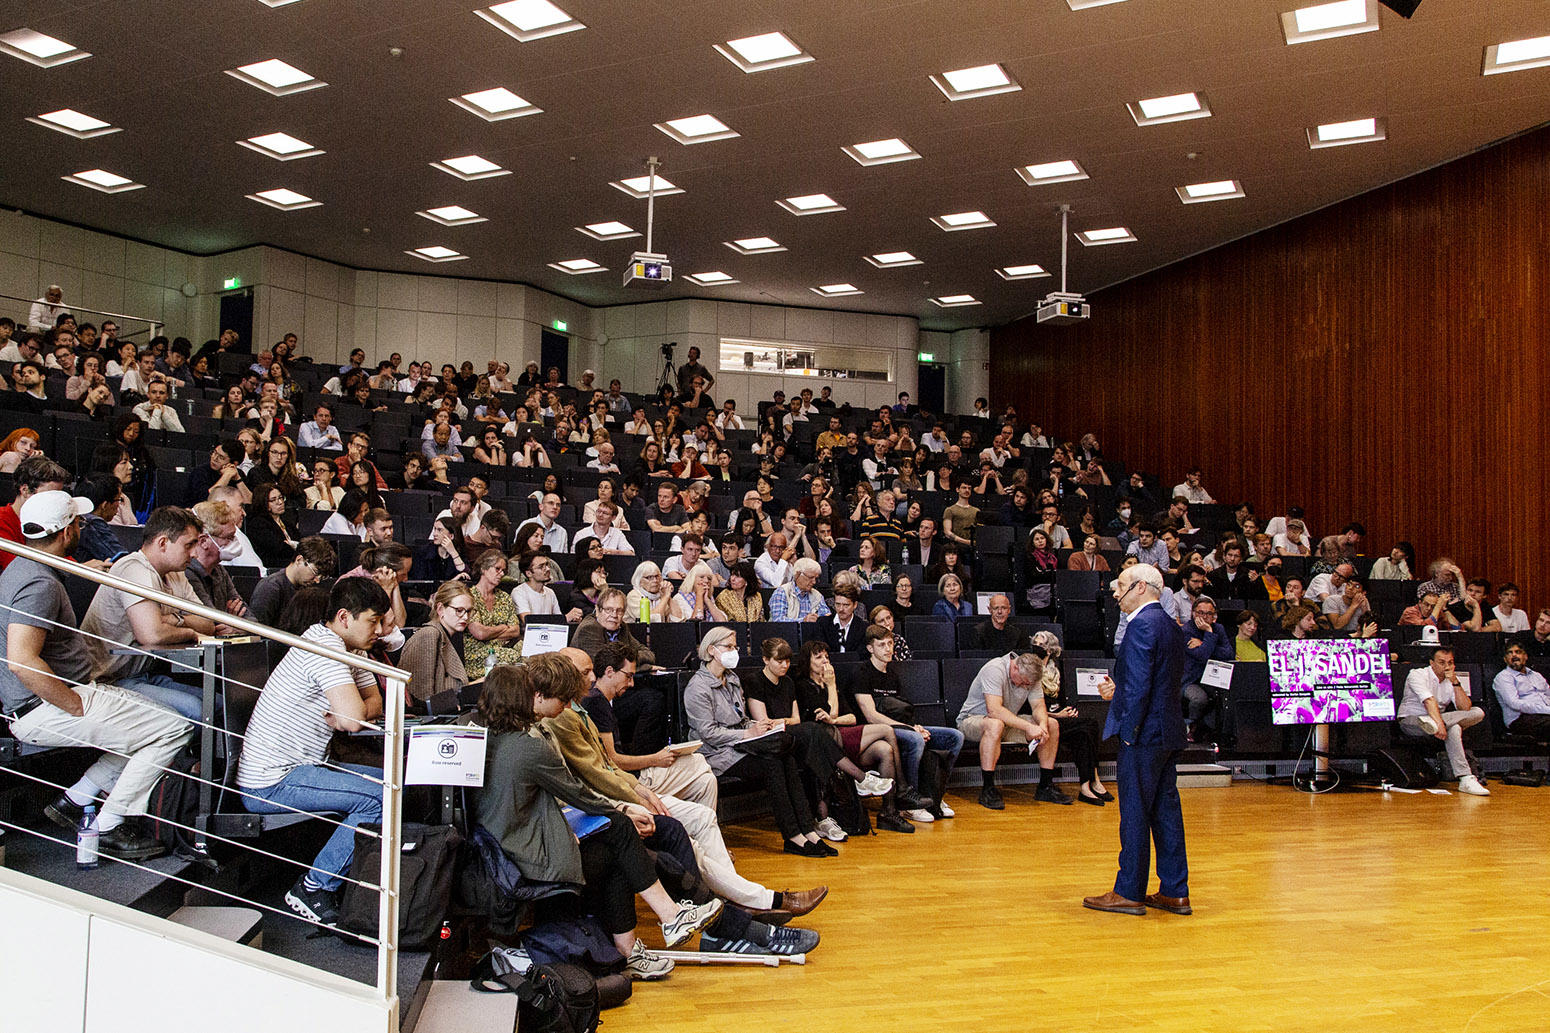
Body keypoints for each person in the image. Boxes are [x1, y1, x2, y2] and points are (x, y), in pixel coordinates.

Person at [548, 648, 826, 947]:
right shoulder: (564, 717)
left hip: (620, 793)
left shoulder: (580, 709)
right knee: (685, 839)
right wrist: (634, 793)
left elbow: (605, 768)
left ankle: (734, 903)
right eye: (584, 673)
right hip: (606, 803)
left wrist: (638, 790)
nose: (593, 677)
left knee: (703, 812)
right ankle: (747, 905)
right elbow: (597, 774)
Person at [473, 662, 722, 978]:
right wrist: (622, 809)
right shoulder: (528, 747)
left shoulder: (490, 737)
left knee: (618, 845)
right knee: (619, 831)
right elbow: (579, 794)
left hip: (505, 852)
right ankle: (665, 919)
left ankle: (634, 945)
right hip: (527, 861)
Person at [0, 490, 196, 861]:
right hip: (46, 703)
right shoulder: (39, 583)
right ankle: (108, 825)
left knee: (155, 724)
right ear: (66, 532)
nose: (81, 527)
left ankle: (77, 799)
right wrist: (74, 703)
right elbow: (21, 660)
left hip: (54, 696)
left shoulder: (24, 566)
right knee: (174, 728)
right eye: (77, 522)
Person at [236, 577, 390, 923]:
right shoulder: (324, 647)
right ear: (344, 617)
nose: (379, 629)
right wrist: (350, 712)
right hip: (271, 781)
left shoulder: (352, 649)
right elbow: (353, 720)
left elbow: (373, 704)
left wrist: (350, 711)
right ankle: (314, 886)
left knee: (390, 782)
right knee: (377, 799)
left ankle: (347, 879)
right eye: (373, 620)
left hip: (305, 768)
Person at [1085, 563, 1192, 917]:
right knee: (1166, 813)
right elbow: (1162, 680)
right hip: (1169, 731)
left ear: (1141, 587)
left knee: (1133, 813)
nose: (1115, 593)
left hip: (1144, 735)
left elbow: (1140, 689)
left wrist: (1128, 733)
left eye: (1121, 586)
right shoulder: (1171, 625)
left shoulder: (1141, 625)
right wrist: (1120, 692)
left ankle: (1129, 890)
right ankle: (1175, 892)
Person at [683, 627, 833, 857]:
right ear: (712, 650)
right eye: (729, 647)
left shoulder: (731, 679)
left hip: (742, 744)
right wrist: (747, 734)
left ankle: (807, 830)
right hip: (715, 754)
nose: (735, 651)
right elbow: (708, 733)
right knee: (772, 764)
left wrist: (757, 727)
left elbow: (740, 718)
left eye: (735, 647)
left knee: (787, 756)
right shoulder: (697, 687)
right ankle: (793, 836)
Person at [80, 507, 235, 720]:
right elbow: (152, 635)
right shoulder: (133, 568)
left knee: (218, 704)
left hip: (145, 675)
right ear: (163, 543)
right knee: (195, 710)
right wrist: (190, 632)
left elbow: (208, 623)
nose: (193, 553)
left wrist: (173, 620)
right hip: (110, 680)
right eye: (188, 545)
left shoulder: (176, 574)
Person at [849, 624, 964, 822]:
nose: (888, 649)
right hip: (873, 732)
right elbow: (872, 716)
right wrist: (911, 730)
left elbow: (899, 711)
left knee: (954, 737)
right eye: (882, 645)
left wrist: (916, 726)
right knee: (914, 739)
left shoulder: (892, 675)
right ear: (870, 648)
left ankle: (935, 797)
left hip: (898, 726)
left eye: (890, 644)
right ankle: (910, 801)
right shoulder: (861, 672)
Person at [1396, 647, 1489, 796]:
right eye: (1442, 662)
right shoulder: (1417, 674)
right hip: (1412, 721)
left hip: (1439, 721)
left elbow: (1465, 708)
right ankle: (1465, 778)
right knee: (1453, 726)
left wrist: (1455, 682)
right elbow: (1429, 701)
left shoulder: (1451, 679)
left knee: (1477, 713)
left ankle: (1465, 779)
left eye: (1450, 662)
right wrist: (1439, 724)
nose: (1447, 666)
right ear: (1431, 663)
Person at [400, 581, 473, 706]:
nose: (465, 617)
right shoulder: (429, 634)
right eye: (459, 610)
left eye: (469, 611)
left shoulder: (446, 635)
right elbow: (421, 696)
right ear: (440, 609)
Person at [1181, 596, 1234, 744]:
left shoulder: (1219, 628)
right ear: (1193, 614)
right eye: (1201, 613)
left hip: (1213, 677)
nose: (1205, 617)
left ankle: (1222, 734)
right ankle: (1191, 726)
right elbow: (1202, 656)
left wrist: (1205, 641)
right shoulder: (1186, 631)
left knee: (1227, 696)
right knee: (1199, 698)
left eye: (1209, 614)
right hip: (1189, 679)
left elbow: (1228, 653)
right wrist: (1209, 635)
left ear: (1214, 615)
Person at [249, 537, 334, 628]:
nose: (317, 581)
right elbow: (257, 629)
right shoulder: (270, 587)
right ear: (299, 560)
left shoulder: (309, 590)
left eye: (322, 577)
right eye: (315, 572)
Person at [466, 550, 524, 670]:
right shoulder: (469, 596)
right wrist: (503, 627)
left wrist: (490, 634)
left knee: (528, 650)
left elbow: (515, 630)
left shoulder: (504, 597)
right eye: (497, 569)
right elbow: (480, 633)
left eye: (503, 571)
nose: (501, 574)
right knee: (513, 656)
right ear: (484, 569)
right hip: (477, 650)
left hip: (504, 647)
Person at [1493, 642, 1550, 742]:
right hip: (1520, 719)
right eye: (1510, 653)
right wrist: (1546, 710)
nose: (1514, 655)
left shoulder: (1536, 675)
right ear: (1505, 659)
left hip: (1544, 715)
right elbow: (1514, 703)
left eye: (1518, 652)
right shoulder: (1503, 677)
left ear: (1525, 656)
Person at [769, 558, 830, 622]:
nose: (814, 582)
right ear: (797, 574)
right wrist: (803, 621)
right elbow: (777, 621)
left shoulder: (817, 595)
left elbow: (826, 616)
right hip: (787, 632)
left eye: (816, 578)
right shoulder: (782, 592)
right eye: (810, 577)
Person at [816, 584, 867, 654]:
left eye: (846, 605)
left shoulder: (863, 627)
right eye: (838, 604)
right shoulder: (823, 623)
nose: (841, 609)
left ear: (855, 605)